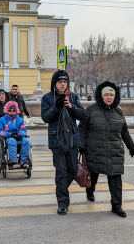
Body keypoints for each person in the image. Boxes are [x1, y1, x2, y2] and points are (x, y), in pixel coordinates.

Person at [79, 81, 134, 218]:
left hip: (114, 150)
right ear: (101, 96)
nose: (109, 97)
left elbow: (124, 132)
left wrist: (131, 146)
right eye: (106, 95)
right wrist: (81, 145)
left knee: (115, 178)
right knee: (93, 175)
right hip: (95, 150)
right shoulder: (92, 109)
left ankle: (117, 206)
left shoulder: (119, 111)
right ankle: (90, 190)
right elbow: (82, 128)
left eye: (111, 95)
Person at [41, 70, 86, 215]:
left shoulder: (72, 96)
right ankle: (63, 203)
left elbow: (83, 115)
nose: (63, 84)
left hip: (72, 139)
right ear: (54, 84)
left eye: (65, 82)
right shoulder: (47, 98)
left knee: (72, 170)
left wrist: (71, 107)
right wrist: (57, 106)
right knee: (61, 172)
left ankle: (61, 190)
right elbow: (46, 117)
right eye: (60, 82)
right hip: (57, 140)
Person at [0, 101, 30, 169]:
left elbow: (23, 129)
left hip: (18, 136)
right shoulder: (2, 120)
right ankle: (13, 161)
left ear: (16, 110)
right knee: (12, 141)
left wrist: (20, 134)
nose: (12, 111)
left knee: (26, 141)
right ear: (7, 110)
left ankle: (23, 161)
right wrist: (9, 134)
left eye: (13, 110)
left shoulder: (20, 120)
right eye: (10, 110)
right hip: (8, 137)